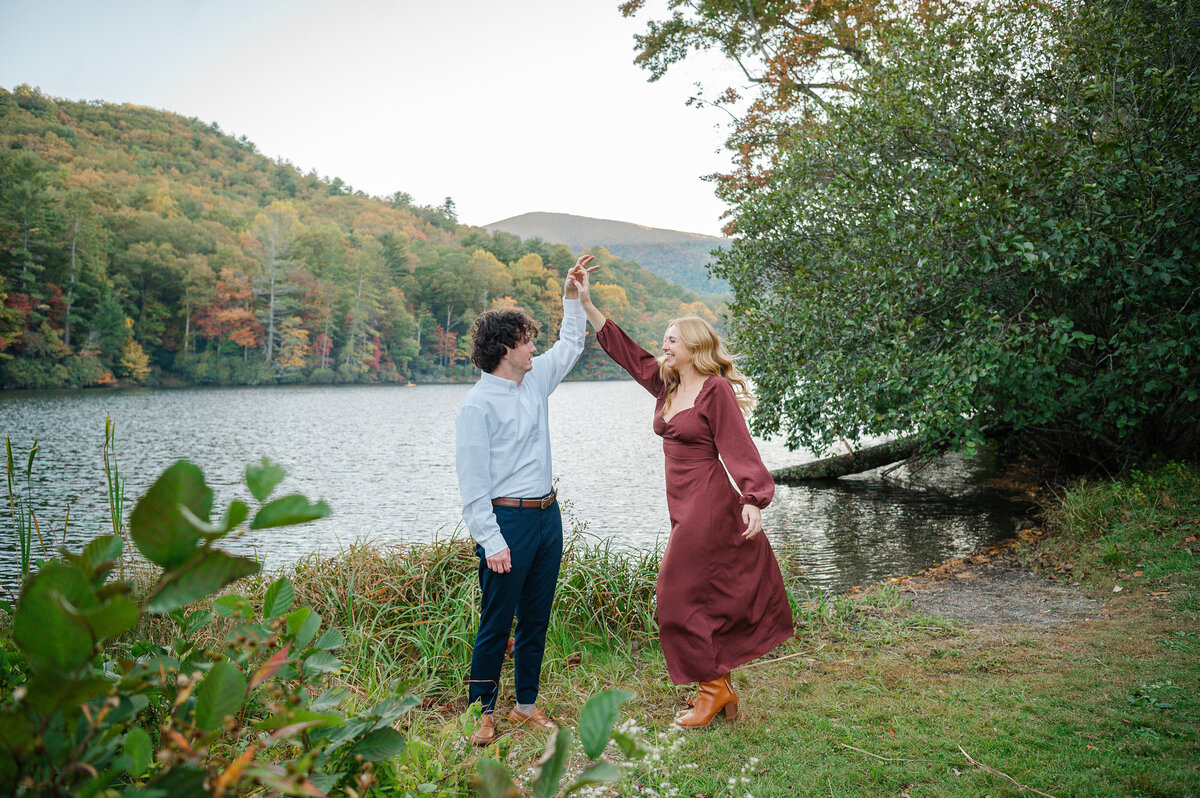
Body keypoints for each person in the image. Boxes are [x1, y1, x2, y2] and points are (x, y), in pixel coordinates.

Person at [573, 265, 794, 728]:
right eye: (665, 339)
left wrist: (753, 497)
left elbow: (738, 445)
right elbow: (629, 355)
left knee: (674, 594)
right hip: (683, 507)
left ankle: (712, 690)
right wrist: (588, 303)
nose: (665, 345)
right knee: (702, 596)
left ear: (694, 346)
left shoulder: (713, 390)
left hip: (709, 505)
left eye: (672, 339)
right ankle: (721, 689)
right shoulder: (668, 383)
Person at [455, 255, 594, 746]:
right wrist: (490, 541)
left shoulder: (534, 380)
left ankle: (525, 705)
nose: (535, 346)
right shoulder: (476, 406)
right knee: (496, 620)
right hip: (506, 522)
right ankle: (481, 712)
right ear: (506, 348)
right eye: (528, 340)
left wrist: (571, 298)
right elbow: (472, 487)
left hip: (546, 516)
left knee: (537, 615)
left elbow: (571, 344)